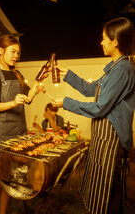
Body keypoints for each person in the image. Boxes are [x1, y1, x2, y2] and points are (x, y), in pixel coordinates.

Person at [52, 17, 135, 214]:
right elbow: (92, 89)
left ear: (115, 41)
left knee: (112, 191)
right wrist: (68, 75)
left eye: (104, 38)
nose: (101, 42)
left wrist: (66, 103)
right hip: (102, 139)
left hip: (112, 141)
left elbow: (100, 107)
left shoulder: (123, 69)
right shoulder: (114, 68)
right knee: (101, 184)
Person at [0, 34, 44, 214]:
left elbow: (26, 99)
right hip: (1, 132)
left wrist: (35, 90)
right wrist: (13, 102)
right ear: (0, 50)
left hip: (19, 131)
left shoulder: (17, 74)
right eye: (12, 51)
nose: (16, 55)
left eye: (18, 52)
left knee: (8, 176)